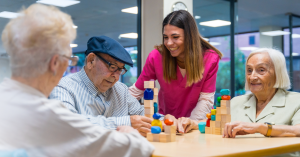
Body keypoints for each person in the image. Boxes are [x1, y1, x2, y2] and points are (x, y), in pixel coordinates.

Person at [0, 4, 154, 157]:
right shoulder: (48, 115)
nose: (116, 75)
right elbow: (137, 149)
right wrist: (128, 131)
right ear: (54, 63)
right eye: (69, 59)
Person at [129, 10, 223, 134]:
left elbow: (206, 99)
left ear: (189, 36)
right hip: (166, 125)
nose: (169, 43)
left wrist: (189, 123)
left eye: (175, 37)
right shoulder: (156, 57)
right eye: (165, 37)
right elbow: (136, 92)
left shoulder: (210, 58)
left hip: (193, 126)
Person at [49, 36, 152, 136]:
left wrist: (163, 120)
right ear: (91, 61)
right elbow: (68, 125)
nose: (116, 76)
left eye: (120, 70)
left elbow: (142, 114)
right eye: (112, 67)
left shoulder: (121, 90)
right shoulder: (62, 88)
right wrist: (127, 122)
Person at [224, 48, 300, 138]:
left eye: (261, 70)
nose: (252, 77)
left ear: (278, 74)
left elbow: (297, 130)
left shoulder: (296, 101)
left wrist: (260, 127)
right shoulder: (235, 102)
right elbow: (211, 125)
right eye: (249, 70)